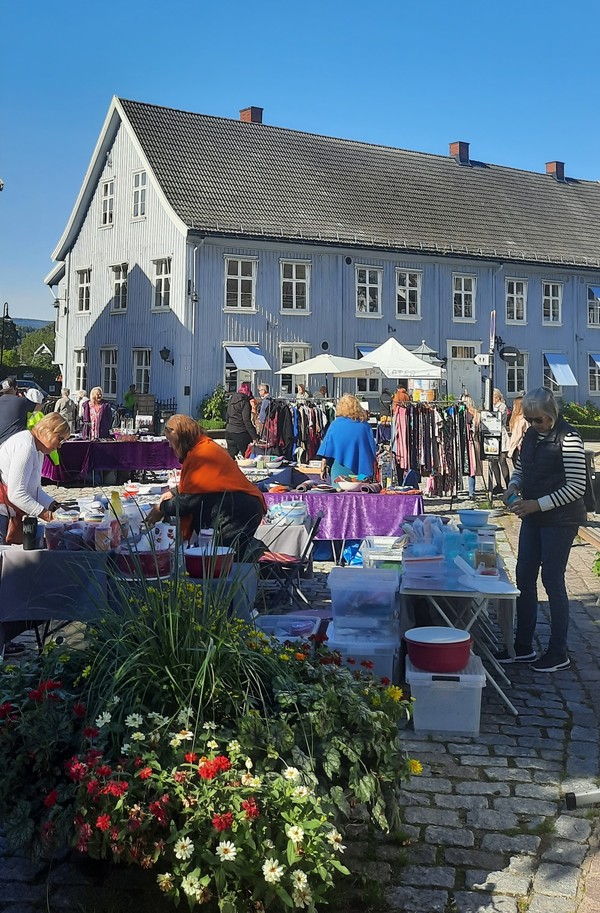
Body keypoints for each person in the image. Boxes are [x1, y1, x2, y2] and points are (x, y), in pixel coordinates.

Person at [498, 388, 586, 673]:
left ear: (551, 415)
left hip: (560, 520)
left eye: (539, 420)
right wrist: (514, 485)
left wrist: (538, 504)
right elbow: (522, 467)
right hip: (534, 515)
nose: (534, 425)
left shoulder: (569, 437)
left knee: (552, 579)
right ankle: (523, 645)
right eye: (531, 420)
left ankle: (558, 651)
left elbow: (576, 488)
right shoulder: (532, 435)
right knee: (524, 575)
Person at [144, 415, 266, 557]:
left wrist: (162, 508)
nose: (170, 446)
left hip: (236, 513)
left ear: (182, 439)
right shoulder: (203, 447)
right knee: (230, 555)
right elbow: (204, 485)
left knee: (225, 559)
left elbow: (190, 500)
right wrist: (175, 492)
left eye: (171, 441)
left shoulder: (202, 454)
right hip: (241, 508)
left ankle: (265, 565)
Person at [0, 413, 70, 656]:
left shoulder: (36, 450)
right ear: (49, 432)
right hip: (2, 513)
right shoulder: (25, 446)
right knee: (5, 577)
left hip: (7, 513)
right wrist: (46, 515)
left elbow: (35, 490)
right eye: (60, 439)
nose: (60, 445)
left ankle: (5, 641)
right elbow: (17, 494)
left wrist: (56, 508)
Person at [317, 394, 377, 488]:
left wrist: (322, 468)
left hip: (339, 469)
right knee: (361, 499)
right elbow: (371, 451)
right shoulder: (365, 426)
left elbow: (327, 449)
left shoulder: (335, 425)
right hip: (361, 470)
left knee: (339, 498)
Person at [225, 383, 258, 458]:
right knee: (248, 456)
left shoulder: (231, 399)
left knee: (231, 458)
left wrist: (228, 426)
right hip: (240, 432)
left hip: (229, 431)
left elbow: (227, 416)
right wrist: (254, 436)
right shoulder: (244, 401)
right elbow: (246, 420)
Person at [0, 378, 31, 446]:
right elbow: (39, 407)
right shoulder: (21, 401)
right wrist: (24, 398)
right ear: (16, 388)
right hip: (14, 443)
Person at [462, 395, 483, 497]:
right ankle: (471, 491)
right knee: (472, 468)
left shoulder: (464, 413)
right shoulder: (477, 414)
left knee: (468, 466)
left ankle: (463, 490)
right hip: (475, 442)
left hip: (466, 442)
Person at [491, 388, 511, 493]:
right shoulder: (491, 406)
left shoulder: (502, 406)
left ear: (497, 397)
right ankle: (498, 484)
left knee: (502, 461)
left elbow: (497, 418)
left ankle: (508, 484)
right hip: (492, 434)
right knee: (493, 462)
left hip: (500, 433)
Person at [507, 394, 528, 466]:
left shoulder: (520, 419)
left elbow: (516, 436)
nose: (513, 407)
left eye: (514, 405)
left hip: (518, 448)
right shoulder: (526, 417)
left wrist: (510, 450)